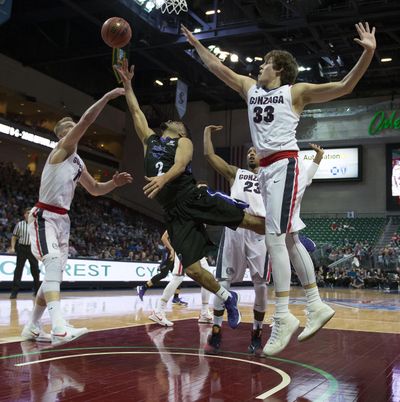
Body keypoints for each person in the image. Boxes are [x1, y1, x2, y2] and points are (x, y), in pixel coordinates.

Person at [182, 22, 376, 355]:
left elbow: (344, 86)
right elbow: (217, 67)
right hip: (269, 172)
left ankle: (284, 316)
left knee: (275, 238)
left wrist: (368, 53)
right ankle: (315, 305)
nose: (259, 66)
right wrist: (196, 43)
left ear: (280, 69)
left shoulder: (295, 92)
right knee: (288, 238)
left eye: (265, 62)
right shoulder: (249, 89)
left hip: (285, 165)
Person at [114, 59, 265, 330]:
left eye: (178, 122)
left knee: (250, 222)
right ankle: (226, 297)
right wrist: (127, 84)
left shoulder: (184, 141)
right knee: (193, 270)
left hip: (191, 197)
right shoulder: (150, 141)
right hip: (173, 211)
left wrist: (163, 178)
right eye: (171, 120)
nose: (173, 120)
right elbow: (136, 111)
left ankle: (294, 236)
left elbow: (181, 165)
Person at [21, 88, 133, 346]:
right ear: (62, 134)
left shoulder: (77, 161)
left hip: (63, 220)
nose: (76, 128)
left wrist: (113, 184)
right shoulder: (61, 148)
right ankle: (59, 326)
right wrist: (105, 98)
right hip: (44, 215)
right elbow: (85, 121)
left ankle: (32, 326)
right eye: (70, 127)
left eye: (74, 125)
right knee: (51, 265)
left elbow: (94, 189)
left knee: (54, 275)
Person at [203, 126, 324, 355]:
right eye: (248, 151)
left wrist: (317, 159)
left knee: (260, 284)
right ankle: (216, 329)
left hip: (261, 231)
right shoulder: (236, 173)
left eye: (255, 151)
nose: (251, 153)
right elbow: (210, 156)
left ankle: (257, 331)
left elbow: (304, 180)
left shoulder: (272, 174)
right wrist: (207, 133)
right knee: (223, 281)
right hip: (235, 229)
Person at [137, 230, 188, 305]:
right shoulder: (174, 226)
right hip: (169, 251)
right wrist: (171, 249)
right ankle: (143, 287)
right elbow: (164, 238)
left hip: (175, 254)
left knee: (179, 275)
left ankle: (176, 298)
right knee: (163, 274)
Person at [8, 208, 40, 299]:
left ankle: (37, 291)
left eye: (30, 213)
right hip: (22, 248)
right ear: (24, 215)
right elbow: (14, 237)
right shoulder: (20, 224)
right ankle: (14, 292)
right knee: (18, 270)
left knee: (35, 271)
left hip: (32, 249)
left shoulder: (36, 224)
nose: (29, 214)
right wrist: (13, 247)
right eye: (27, 213)